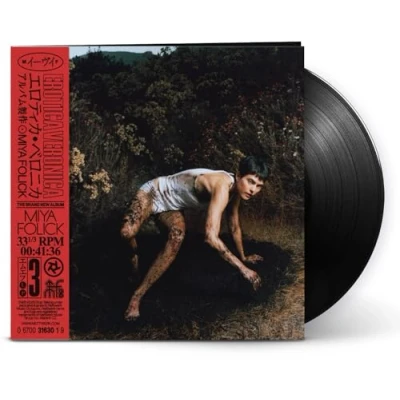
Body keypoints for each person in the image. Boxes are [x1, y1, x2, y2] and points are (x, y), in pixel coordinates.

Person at [120, 155, 268, 321]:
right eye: (250, 182)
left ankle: (137, 296)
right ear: (239, 175)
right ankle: (133, 256)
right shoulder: (222, 186)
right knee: (126, 233)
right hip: (154, 193)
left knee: (177, 237)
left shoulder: (235, 192)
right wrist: (243, 269)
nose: (253, 190)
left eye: (259, 186)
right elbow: (210, 237)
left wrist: (243, 256)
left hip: (171, 208)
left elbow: (234, 226)